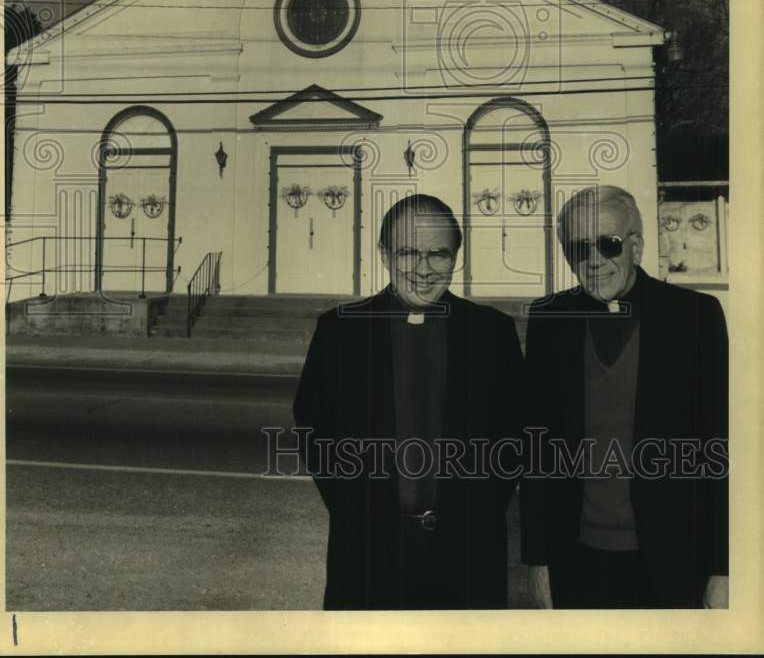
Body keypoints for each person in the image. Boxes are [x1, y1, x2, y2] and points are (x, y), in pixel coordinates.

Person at [293, 193, 524, 609]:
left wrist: (477, 514)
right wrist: (358, 512)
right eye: (407, 252)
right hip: (368, 557)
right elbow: (314, 431)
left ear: (456, 256)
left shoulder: (493, 334)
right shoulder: (339, 334)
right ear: (384, 254)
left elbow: (516, 437)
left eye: (438, 253)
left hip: (467, 560)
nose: (422, 268)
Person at [521, 185, 728, 609]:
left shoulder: (695, 316)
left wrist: (721, 569)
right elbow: (535, 451)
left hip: (673, 559)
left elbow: (719, 447)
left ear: (636, 245)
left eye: (608, 244)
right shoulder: (550, 319)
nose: (594, 260)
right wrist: (537, 562)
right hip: (576, 557)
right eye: (579, 248)